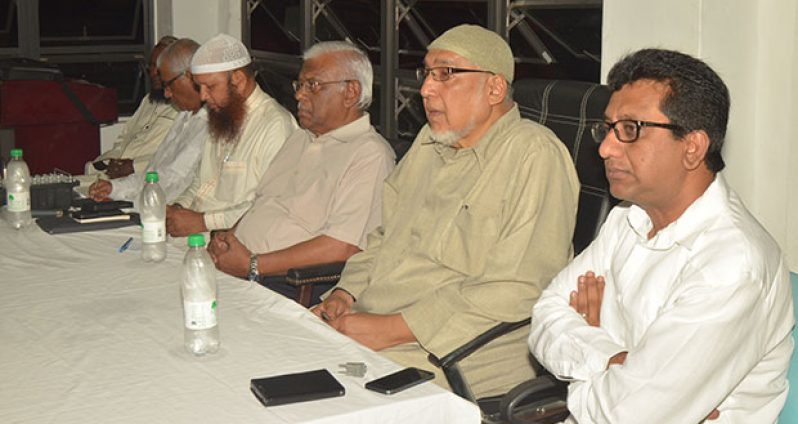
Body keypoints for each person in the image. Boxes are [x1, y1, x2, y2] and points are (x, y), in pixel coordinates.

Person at [313, 24, 580, 398]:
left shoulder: (534, 155)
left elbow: (519, 288)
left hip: (453, 350)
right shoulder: (430, 142)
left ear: (495, 88)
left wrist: (393, 328)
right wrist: (344, 294)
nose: (424, 89)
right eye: (426, 74)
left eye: (447, 73)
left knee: (326, 402)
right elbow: (384, 238)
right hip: (373, 322)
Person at [528, 49, 795, 423]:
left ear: (692, 147)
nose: (605, 148)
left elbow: (628, 415)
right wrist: (611, 358)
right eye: (607, 128)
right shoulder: (627, 218)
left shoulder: (731, 265)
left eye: (630, 130)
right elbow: (544, 316)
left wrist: (585, 343)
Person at [208, 41, 395, 299]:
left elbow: (342, 247)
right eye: (300, 85)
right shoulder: (301, 137)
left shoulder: (369, 155)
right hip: (237, 267)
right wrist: (226, 241)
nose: (299, 95)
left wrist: (252, 264)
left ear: (351, 92)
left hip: (282, 285)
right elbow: (263, 203)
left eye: (313, 85)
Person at [167, 33, 297, 237]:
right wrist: (178, 208)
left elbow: (271, 206)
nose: (202, 96)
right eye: (198, 87)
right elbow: (201, 183)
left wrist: (203, 222)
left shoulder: (276, 126)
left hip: (238, 239)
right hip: (200, 234)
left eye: (210, 87)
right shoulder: (222, 115)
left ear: (238, 80)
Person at [87, 38, 208, 207]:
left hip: (170, 212)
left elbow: (178, 186)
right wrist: (113, 188)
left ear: (189, 76)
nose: (166, 94)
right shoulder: (184, 117)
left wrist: (125, 200)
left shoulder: (211, 125)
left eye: (168, 84)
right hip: (146, 204)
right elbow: (154, 173)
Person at [84, 35, 180, 180]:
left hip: (146, 176)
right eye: (151, 66)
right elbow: (124, 137)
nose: (153, 73)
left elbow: (175, 156)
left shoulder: (184, 108)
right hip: (116, 172)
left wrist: (133, 166)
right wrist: (112, 161)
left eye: (158, 66)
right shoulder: (148, 100)